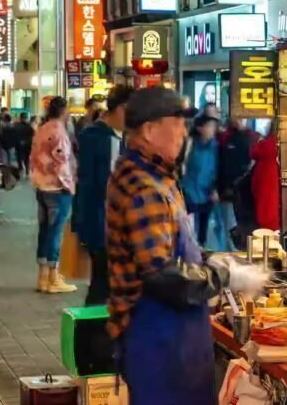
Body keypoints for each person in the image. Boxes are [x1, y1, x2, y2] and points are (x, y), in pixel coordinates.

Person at [105, 87, 268, 404]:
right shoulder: (142, 185)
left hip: (177, 343)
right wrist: (223, 277)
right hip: (160, 344)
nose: (184, 132)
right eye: (176, 123)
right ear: (150, 130)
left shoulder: (158, 177)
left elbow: (175, 250)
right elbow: (161, 276)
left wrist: (215, 258)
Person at [76, 85, 133, 305]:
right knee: (102, 284)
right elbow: (97, 185)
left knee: (105, 283)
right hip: (102, 224)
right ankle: (91, 334)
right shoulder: (99, 137)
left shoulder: (118, 136)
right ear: (121, 109)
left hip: (107, 223)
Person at [30, 96, 77, 293]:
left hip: (41, 186)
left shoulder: (41, 129)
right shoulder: (59, 131)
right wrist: (69, 184)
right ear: (63, 111)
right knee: (56, 232)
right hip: (57, 188)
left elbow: (33, 157)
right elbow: (62, 161)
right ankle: (53, 276)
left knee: (45, 231)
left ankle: (42, 277)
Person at [217, 117, 259, 251]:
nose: (239, 120)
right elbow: (220, 164)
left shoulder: (252, 138)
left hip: (244, 193)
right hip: (227, 192)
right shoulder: (224, 139)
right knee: (227, 227)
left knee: (240, 226)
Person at [181, 114, 220, 246]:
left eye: (213, 127)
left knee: (203, 230)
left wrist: (216, 188)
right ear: (200, 128)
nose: (212, 130)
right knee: (189, 228)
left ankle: (200, 256)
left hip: (207, 192)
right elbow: (181, 164)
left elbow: (219, 169)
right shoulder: (189, 144)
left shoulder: (217, 147)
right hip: (189, 191)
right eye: (209, 126)